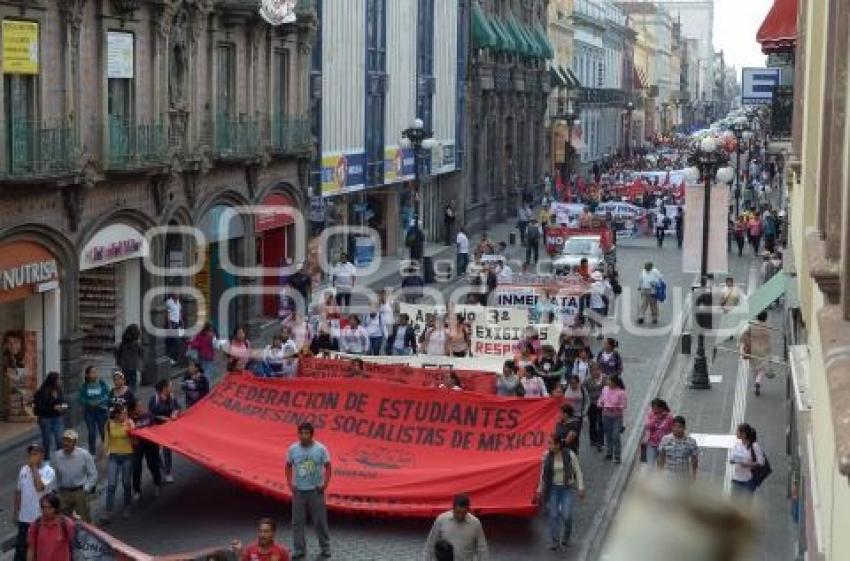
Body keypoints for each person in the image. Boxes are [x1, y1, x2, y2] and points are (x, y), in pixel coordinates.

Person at [285, 422, 332, 559]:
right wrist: (290, 483)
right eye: (302, 433)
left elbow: (328, 467)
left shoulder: (321, 449)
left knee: (320, 521)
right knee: (297, 522)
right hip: (299, 492)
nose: (304, 436)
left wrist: (325, 484)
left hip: (316, 491)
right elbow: (288, 466)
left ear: (312, 434)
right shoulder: (293, 449)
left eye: (307, 433)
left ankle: (325, 548)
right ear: (298, 434)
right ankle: (299, 550)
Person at [536, 434, 585, 551]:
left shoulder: (569, 454)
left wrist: (581, 487)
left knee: (566, 515)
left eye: (551, 443)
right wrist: (539, 489)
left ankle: (566, 536)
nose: (549, 446)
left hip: (566, 488)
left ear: (558, 444)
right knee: (553, 515)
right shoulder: (547, 456)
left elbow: (578, 471)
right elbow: (543, 475)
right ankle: (555, 541)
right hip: (553, 489)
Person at [13, 443, 55, 561]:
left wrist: (33, 468)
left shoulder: (49, 471)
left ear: (42, 455)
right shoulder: (23, 469)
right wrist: (16, 512)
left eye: (35, 454)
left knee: (38, 550)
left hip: (39, 518)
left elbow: (39, 487)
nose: (32, 457)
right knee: (21, 550)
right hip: (24, 518)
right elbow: (18, 491)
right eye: (30, 454)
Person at [423, 495, 489, 561]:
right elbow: (430, 545)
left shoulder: (475, 524)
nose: (460, 516)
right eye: (458, 512)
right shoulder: (441, 520)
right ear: (453, 509)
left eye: (464, 513)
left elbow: (482, 549)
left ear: (468, 510)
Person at [52, 429, 97, 522]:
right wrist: (56, 491)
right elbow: (55, 475)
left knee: (84, 521)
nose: (66, 443)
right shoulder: (57, 456)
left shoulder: (84, 455)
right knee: (64, 521)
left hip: (79, 492)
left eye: (69, 441)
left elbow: (93, 474)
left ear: (75, 442)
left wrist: (86, 488)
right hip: (63, 492)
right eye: (64, 440)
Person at [101, 404, 135, 523]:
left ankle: (127, 506)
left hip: (128, 455)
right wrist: (105, 458)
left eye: (126, 413)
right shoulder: (109, 424)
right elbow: (106, 441)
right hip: (114, 456)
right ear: (116, 414)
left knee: (126, 483)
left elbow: (135, 441)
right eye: (123, 414)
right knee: (111, 484)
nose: (126, 416)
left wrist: (131, 431)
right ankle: (108, 511)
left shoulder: (130, 422)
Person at [128, 400, 162, 501]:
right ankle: (137, 490)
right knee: (136, 467)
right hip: (137, 446)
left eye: (141, 405)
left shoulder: (148, 415)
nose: (141, 408)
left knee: (153, 465)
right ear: (133, 409)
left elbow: (155, 427)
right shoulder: (129, 420)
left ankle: (157, 484)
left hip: (151, 445)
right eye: (138, 406)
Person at [149, 379, 181, 483]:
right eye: (170, 386)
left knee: (167, 450)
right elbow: (150, 415)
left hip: (168, 428)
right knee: (155, 451)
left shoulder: (172, 397)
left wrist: (175, 413)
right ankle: (161, 466)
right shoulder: (154, 399)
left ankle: (168, 472)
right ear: (164, 388)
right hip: (156, 428)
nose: (172, 388)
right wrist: (161, 418)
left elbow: (178, 407)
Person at [26, 493, 74, 561]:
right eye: (43, 507)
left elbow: (77, 547)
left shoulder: (66, 524)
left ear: (56, 508)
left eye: (49, 508)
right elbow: (31, 549)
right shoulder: (36, 525)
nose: (45, 511)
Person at [32, 372, 67, 460]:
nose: (60, 381)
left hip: (57, 417)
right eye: (58, 379)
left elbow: (65, 403)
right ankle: (46, 458)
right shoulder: (42, 391)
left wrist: (63, 407)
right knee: (46, 440)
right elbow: (40, 407)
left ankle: (60, 457)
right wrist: (53, 407)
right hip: (45, 418)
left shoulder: (59, 390)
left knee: (59, 438)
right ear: (53, 380)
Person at [78, 365, 109, 455]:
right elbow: (81, 398)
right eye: (92, 372)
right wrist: (88, 402)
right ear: (87, 375)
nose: (95, 374)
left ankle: (107, 449)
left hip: (101, 411)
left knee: (103, 432)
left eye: (95, 372)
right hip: (89, 412)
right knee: (91, 432)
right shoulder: (85, 386)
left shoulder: (102, 383)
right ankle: (92, 452)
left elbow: (108, 394)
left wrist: (101, 400)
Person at [740, 311, 772, 396]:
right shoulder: (767, 328)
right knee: (762, 369)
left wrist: (747, 343)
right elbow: (768, 341)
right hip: (763, 351)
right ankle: (758, 381)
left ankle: (755, 385)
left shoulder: (751, 326)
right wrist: (769, 351)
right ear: (765, 318)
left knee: (754, 369)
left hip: (752, 350)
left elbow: (742, 336)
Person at [658, 416, 699, 480]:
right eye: (674, 427)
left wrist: (694, 475)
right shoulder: (665, 439)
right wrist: (660, 472)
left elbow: (694, 460)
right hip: (668, 476)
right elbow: (661, 456)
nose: (676, 429)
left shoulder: (691, 442)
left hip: (683, 477)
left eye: (679, 427)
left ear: (684, 428)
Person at [729, 423, 766, 495]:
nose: (736, 433)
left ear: (744, 434)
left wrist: (746, 464)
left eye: (738, 431)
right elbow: (732, 458)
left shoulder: (754, 446)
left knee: (746, 503)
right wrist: (733, 460)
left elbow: (761, 462)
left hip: (749, 480)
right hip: (736, 478)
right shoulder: (737, 444)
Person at [598, 375, 627, 463]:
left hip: (617, 417)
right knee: (608, 435)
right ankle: (609, 453)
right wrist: (600, 403)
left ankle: (617, 455)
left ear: (614, 382)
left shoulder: (621, 392)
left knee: (616, 435)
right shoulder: (605, 389)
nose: (607, 382)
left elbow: (624, 405)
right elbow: (601, 399)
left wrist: (615, 407)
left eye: (609, 380)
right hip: (606, 415)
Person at [642, 399, 674, 469]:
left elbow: (672, 430)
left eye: (656, 408)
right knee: (650, 465)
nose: (654, 410)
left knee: (661, 465)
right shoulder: (651, 415)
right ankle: (650, 478)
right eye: (653, 408)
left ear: (661, 408)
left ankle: (659, 478)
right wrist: (656, 418)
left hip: (664, 445)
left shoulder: (669, 417)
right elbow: (647, 425)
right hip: (652, 443)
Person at [583, 366, 606, 451]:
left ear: (600, 370)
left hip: (602, 404)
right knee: (592, 422)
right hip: (591, 404)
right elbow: (583, 390)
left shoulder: (605, 378)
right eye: (593, 371)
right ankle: (593, 439)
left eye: (597, 370)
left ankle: (600, 441)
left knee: (601, 422)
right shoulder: (587, 380)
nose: (595, 372)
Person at [115, 324, 143, 390]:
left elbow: (118, 353)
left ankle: (126, 392)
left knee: (126, 380)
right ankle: (131, 394)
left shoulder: (123, 344)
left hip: (124, 365)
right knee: (133, 381)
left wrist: (118, 362)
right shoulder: (136, 344)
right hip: (133, 366)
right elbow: (141, 353)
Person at [164, 294, 182, 365]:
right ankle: (172, 358)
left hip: (177, 324)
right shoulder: (169, 302)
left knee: (174, 342)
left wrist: (181, 323)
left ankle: (172, 358)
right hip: (171, 323)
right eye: (176, 293)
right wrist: (170, 326)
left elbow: (179, 313)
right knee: (174, 341)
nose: (178, 294)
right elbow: (167, 314)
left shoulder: (178, 303)